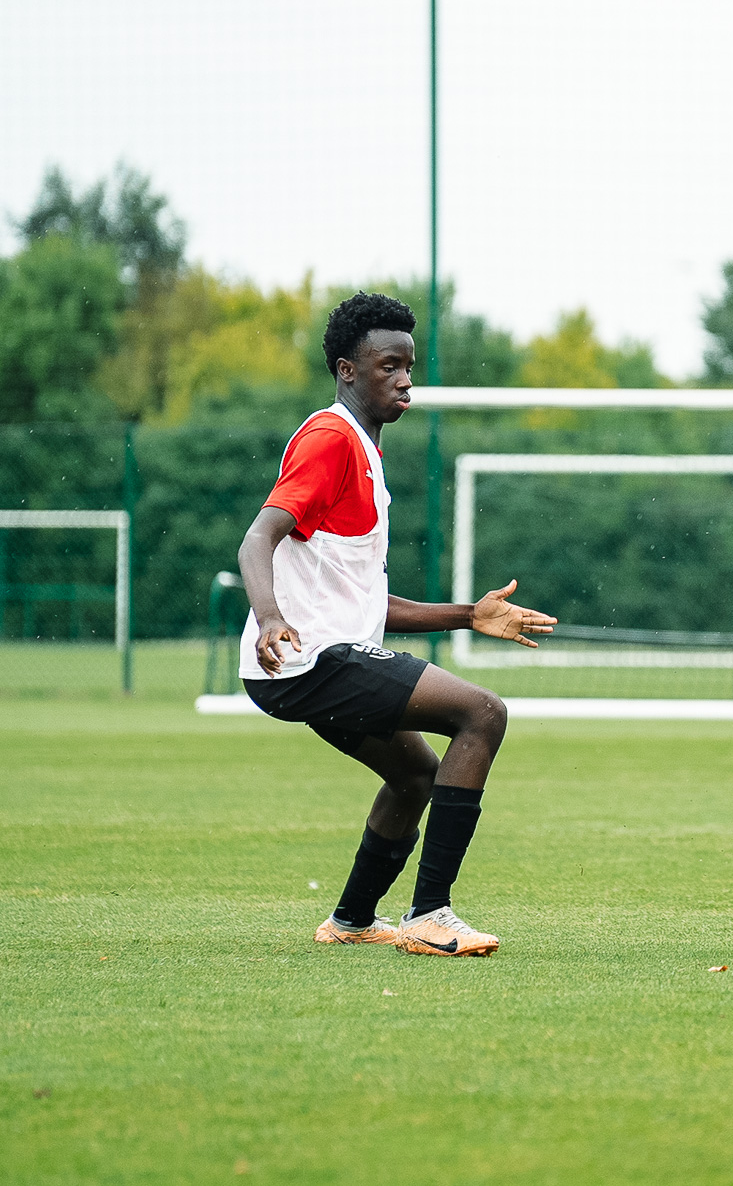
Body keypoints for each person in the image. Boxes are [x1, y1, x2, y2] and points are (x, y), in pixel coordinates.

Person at [236, 291, 555, 957]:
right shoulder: (330, 439)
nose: (405, 378)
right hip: (309, 659)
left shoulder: (363, 452)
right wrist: (268, 616)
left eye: (409, 365)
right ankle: (430, 913)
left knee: (416, 774)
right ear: (348, 370)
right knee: (483, 714)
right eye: (389, 365)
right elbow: (257, 537)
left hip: (315, 658)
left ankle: (351, 919)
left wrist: (469, 614)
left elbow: (366, 603)